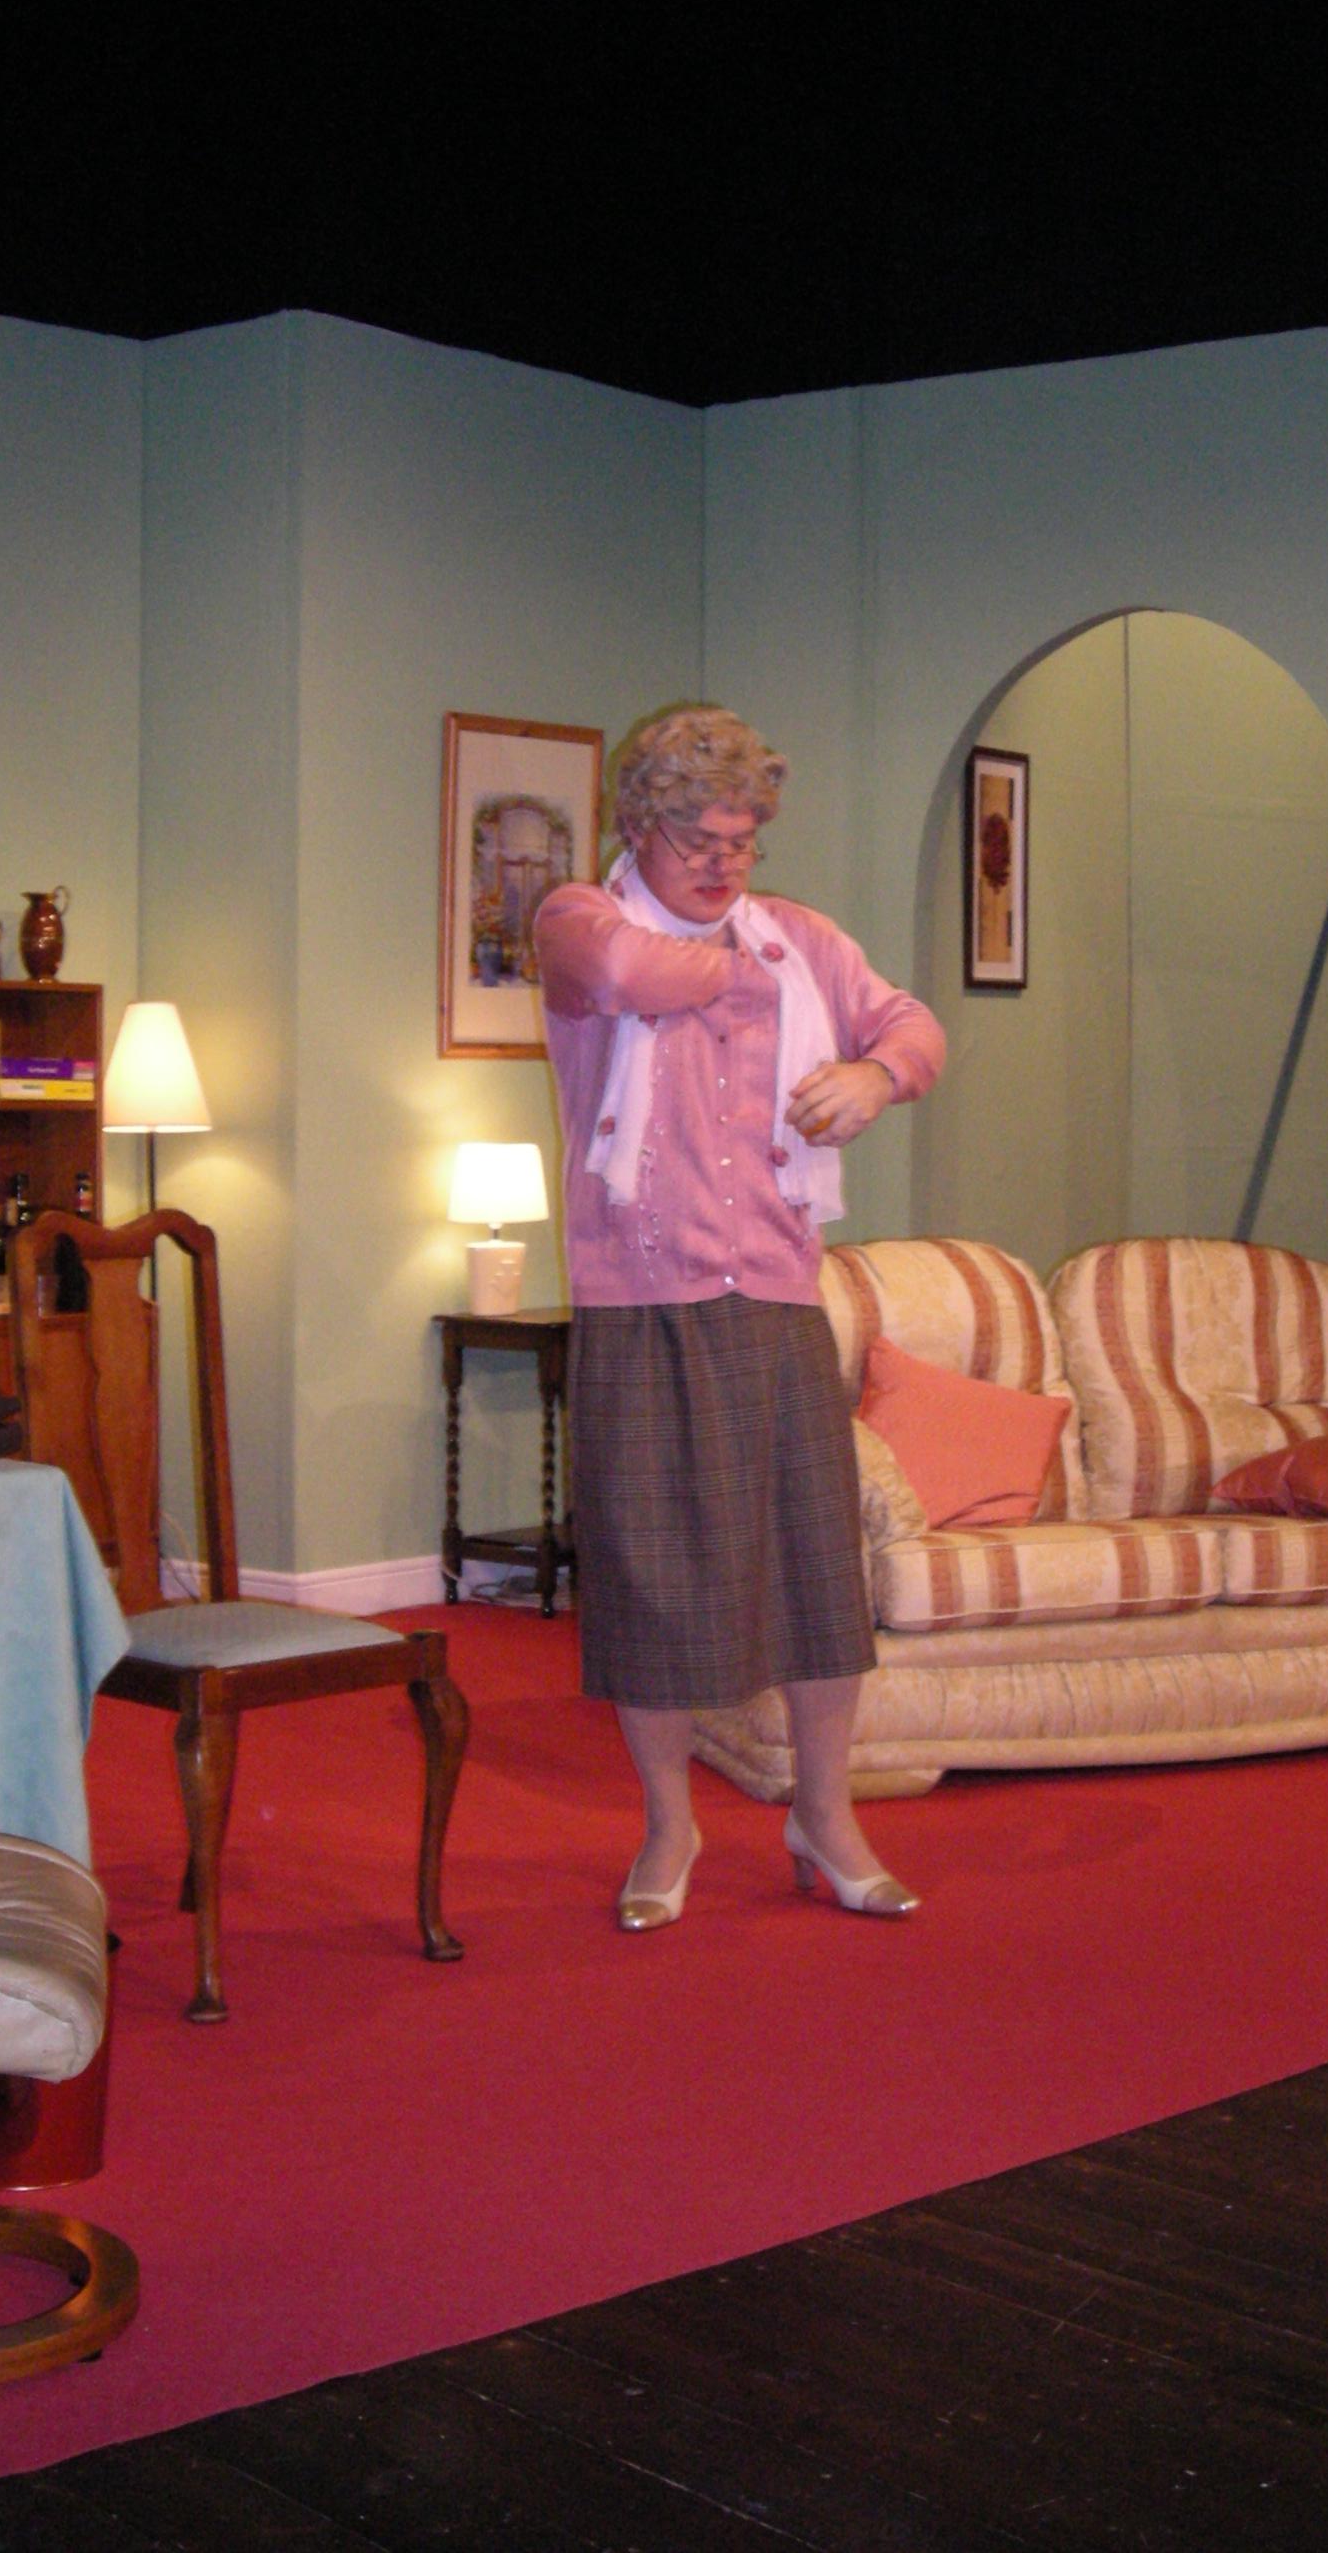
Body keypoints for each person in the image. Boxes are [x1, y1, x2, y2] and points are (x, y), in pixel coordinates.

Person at [533, 705, 945, 1930]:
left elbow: (916, 1028)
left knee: (819, 1576)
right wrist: (749, 970)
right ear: (639, 827)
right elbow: (632, 977)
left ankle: (826, 1817)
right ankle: (671, 1827)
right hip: (640, 1298)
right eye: (698, 839)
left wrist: (873, 1071)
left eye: (743, 841)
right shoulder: (578, 920)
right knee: (652, 1576)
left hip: (774, 1293)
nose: (724, 864)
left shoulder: (803, 940)